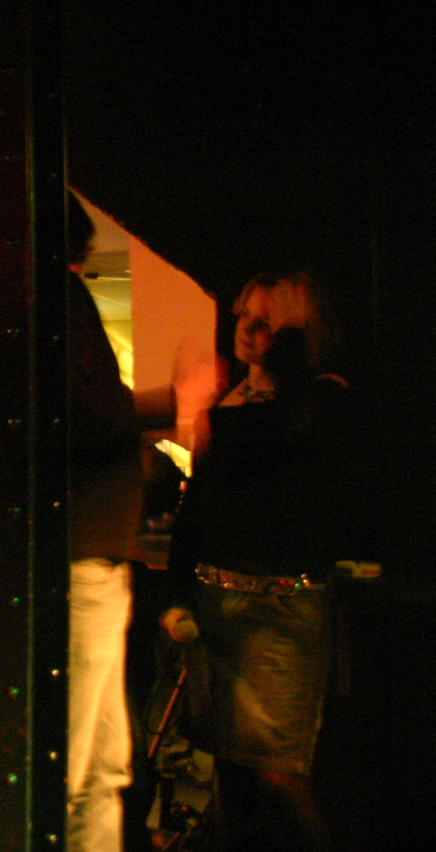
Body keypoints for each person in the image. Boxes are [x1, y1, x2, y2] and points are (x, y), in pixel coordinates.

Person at [161, 271, 368, 852]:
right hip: (217, 599)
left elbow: (286, 446)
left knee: (279, 776)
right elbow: (198, 508)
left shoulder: (321, 396)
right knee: (229, 774)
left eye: (267, 323)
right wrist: (177, 592)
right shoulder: (228, 401)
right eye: (244, 315)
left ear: (299, 334)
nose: (247, 329)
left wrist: (286, 349)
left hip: (279, 607)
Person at [63, 196, 146, 852]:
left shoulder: (60, 299)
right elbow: (85, 417)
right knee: (86, 763)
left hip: (94, 556)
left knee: (100, 763)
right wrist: (167, 402)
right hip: (87, 555)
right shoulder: (61, 299)